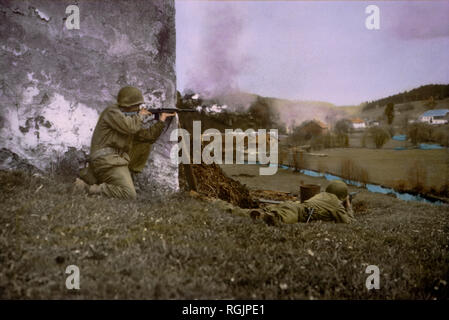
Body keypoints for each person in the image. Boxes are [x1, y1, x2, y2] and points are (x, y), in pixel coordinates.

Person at [74, 86, 175, 199]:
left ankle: (121, 182)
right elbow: (130, 127)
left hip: (116, 159)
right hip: (105, 160)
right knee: (129, 194)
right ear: (127, 105)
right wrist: (140, 116)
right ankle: (89, 188)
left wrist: (161, 120)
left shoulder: (128, 119)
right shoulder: (112, 112)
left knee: (144, 144)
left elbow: (148, 137)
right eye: (136, 106)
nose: (139, 109)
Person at [209, 180, 355, 225]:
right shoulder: (336, 204)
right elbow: (350, 223)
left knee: (248, 213)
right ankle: (262, 217)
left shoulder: (322, 195)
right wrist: (348, 206)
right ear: (342, 196)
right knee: (273, 219)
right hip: (296, 212)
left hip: (291, 206)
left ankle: (215, 202)